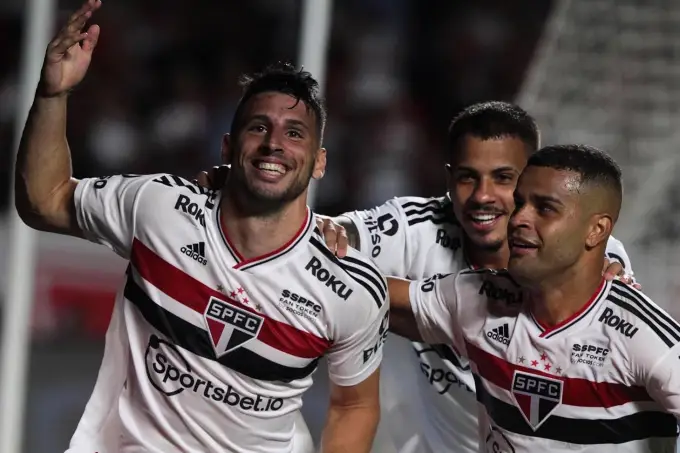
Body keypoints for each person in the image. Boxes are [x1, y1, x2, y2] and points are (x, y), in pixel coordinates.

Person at [15, 1, 388, 452]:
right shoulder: (159, 209)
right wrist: (53, 95)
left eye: (295, 133)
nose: (274, 144)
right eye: (259, 127)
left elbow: (354, 405)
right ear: (228, 147)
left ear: (320, 162)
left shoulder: (349, 286)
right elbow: (44, 201)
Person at [310, 102, 635, 453]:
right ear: (449, 179)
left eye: (503, 178)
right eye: (468, 177)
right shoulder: (416, 229)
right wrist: (326, 234)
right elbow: (321, 235)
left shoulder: (591, 254)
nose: (482, 196)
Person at [388, 144, 680, 452]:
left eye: (544, 208)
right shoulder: (478, 296)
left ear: (596, 230)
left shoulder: (644, 339)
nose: (517, 219)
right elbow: (368, 298)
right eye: (519, 203)